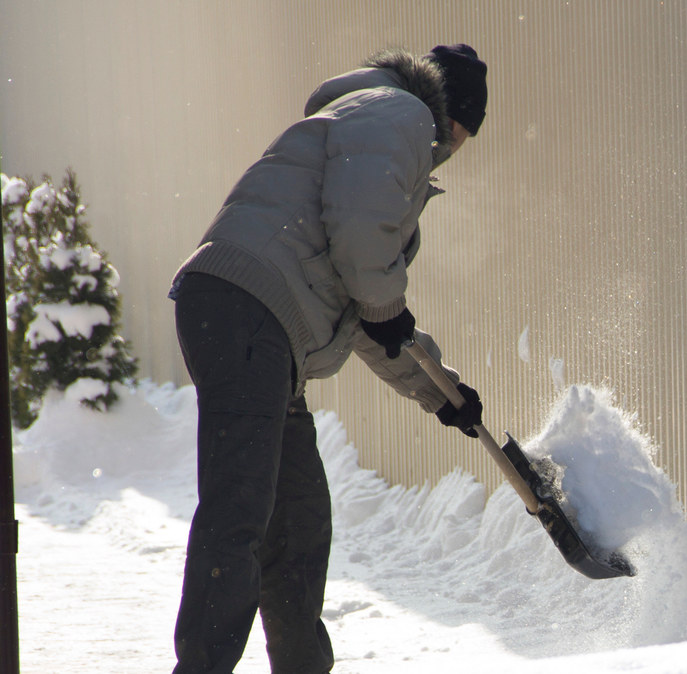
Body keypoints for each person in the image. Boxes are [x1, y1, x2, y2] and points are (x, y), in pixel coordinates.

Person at [167, 44, 488, 673]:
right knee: (241, 513)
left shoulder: (372, 126)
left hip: (262, 326)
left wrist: (441, 393)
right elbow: (364, 244)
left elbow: (370, 318)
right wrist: (386, 304)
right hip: (246, 307)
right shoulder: (398, 114)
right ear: (448, 112)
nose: (455, 147)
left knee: (298, 524)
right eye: (462, 132)